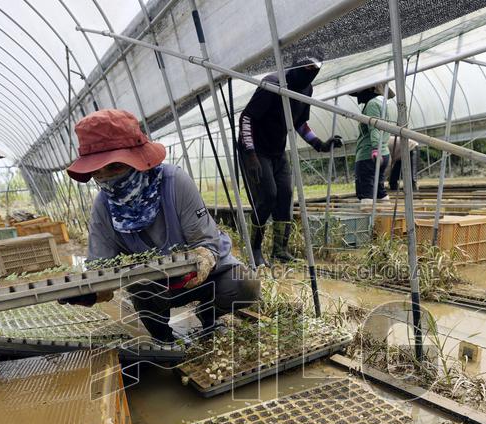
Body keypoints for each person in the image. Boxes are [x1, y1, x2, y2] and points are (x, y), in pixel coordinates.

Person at [65, 109, 259, 344]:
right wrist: (92, 291)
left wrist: (202, 258)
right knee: (140, 285)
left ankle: (208, 314)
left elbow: (206, 243)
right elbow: (102, 267)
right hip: (154, 288)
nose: (107, 179)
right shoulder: (103, 207)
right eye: (97, 172)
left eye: (115, 168)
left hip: (204, 277)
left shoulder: (174, 182)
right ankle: (165, 343)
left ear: (138, 161)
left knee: (244, 283)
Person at [239, 55, 342, 266]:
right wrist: (250, 153)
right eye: (307, 67)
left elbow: (300, 123)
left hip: (277, 151)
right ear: (297, 65)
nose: (310, 72)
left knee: (285, 196)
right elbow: (247, 118)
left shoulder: (307, 89)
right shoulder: (272, 85)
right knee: (268, 196)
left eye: (315, 69)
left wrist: (319, 144)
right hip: (256, 151)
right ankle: (255, 250)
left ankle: (280, 249)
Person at [352, 85, 396, 202]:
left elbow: (374, 127)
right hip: (384, 154)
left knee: (365, 192)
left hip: (369, 155)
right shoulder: (387, 104)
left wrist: (376, 148)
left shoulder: (372, 104)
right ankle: (384, 218)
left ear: (371, 88)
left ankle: (369, 219)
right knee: (379, 190)